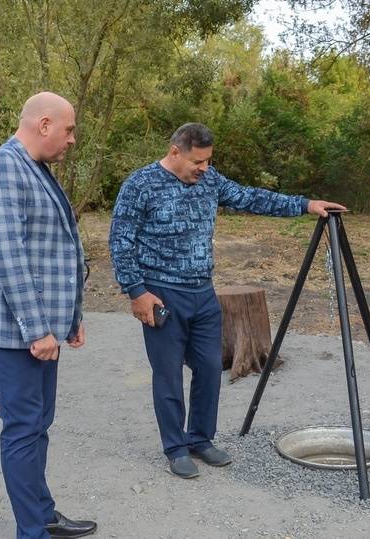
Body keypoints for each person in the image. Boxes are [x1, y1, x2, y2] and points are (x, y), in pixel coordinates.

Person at [109, 122, 346, 479]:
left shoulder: (210, 180)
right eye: (197, 162)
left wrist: (305, 204)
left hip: (203, 293)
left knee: (208, 369)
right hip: (161, 293)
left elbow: (251, 197)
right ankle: (175, 448)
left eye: (207, 162)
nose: (204, 169)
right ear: (175, 152)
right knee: (168, 375)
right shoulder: (140, 185)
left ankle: (201, 439)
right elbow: (121, 241)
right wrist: (136, 291)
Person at [0, 92, 96, 539]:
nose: (72, 139)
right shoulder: (2, 166)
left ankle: (42, 514)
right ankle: (32, 532)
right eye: (69, 129)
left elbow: (56, 251)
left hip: (41, 330)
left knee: (39, 424)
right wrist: (39, 329)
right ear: (44, 125)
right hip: (15, 333)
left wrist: (70, 317)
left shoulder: (35, 168)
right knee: (24, 429)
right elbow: (9, 257)